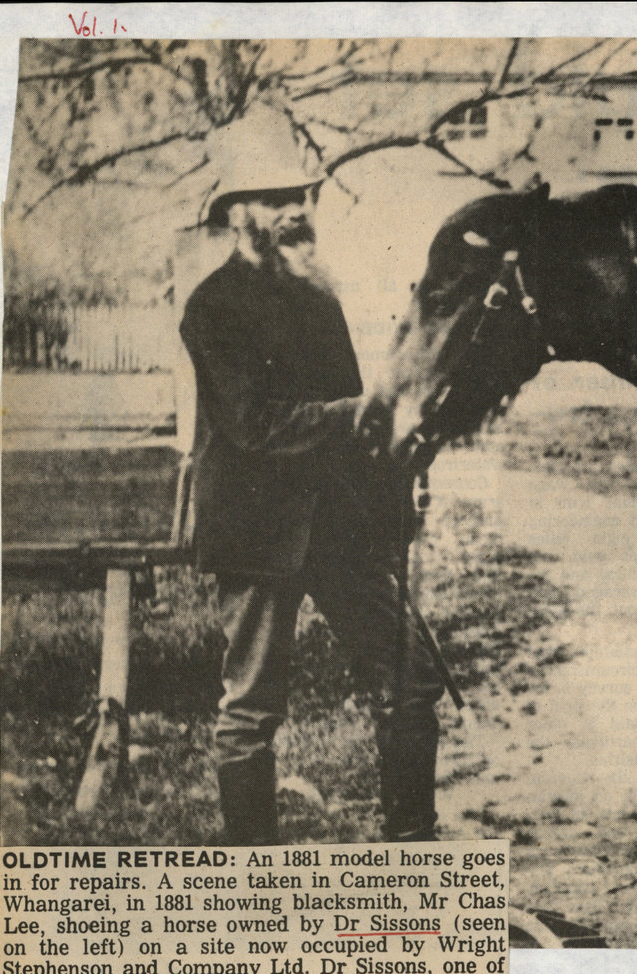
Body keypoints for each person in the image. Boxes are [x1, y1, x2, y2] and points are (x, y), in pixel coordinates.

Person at [179, 107, 443, 846]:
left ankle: (411, 853)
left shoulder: (318, 294)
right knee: (252, 708)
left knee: (408, 681)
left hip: (341, 526)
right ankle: (253, 876)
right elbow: (258, 426)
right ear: (238, 214)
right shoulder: (212, 308)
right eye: (274, 198)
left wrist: (395, 475)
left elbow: (357, 429)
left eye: (303, 194)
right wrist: (363, 410)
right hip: (258, 529)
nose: (296, 209)